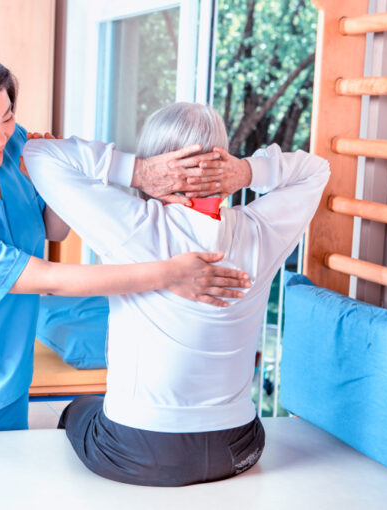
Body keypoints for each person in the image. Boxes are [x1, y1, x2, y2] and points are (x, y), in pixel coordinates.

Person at [0, 41, 251, 437]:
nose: (3, 136)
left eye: (8, 116)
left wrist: (62, 179)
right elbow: (51, 279)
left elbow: (52, 229)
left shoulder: (7, 148)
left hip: (7, 367)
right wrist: (169, 274)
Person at [23, 102, 330, 486]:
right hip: (239, 447)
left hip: (137, 452)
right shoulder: (260, 230)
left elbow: (38, 153)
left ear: (159, 166)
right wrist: (246, 171)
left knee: (79, 409)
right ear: (222, 159)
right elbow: (317, 170)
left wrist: (136, 172)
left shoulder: (136, 225)